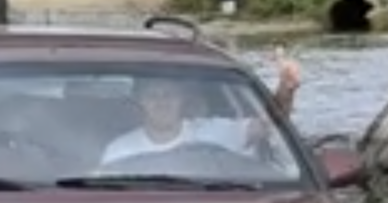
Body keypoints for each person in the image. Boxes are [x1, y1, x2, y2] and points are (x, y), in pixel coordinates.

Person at [98, 47, 303, 167]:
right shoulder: (119, 151)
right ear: (139, 102)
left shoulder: (213, 132)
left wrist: (286, 90)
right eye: (153, 95)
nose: (162, 102)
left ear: (182, 99)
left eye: (169, 94)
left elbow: (269, 126)